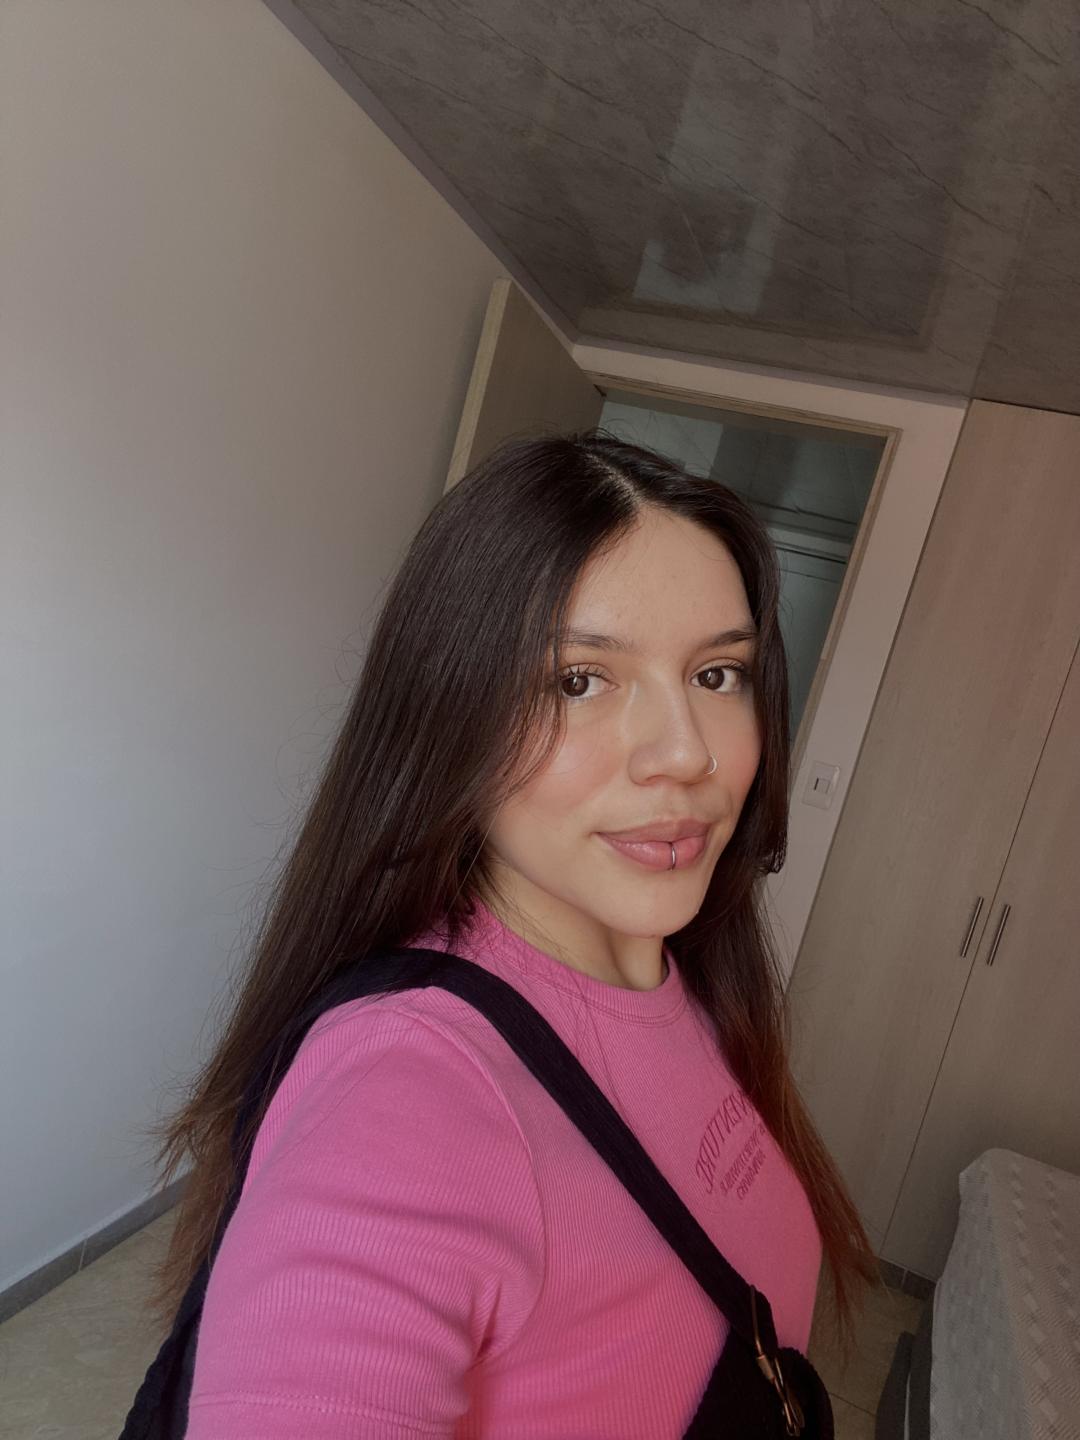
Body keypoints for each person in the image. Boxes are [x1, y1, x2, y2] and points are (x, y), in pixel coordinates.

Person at [148, 430, 877, 1438]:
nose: (686, 754)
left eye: (718, 675)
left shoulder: (691, 976)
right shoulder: (406, 1088)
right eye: (580, 681)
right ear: (451, 717)